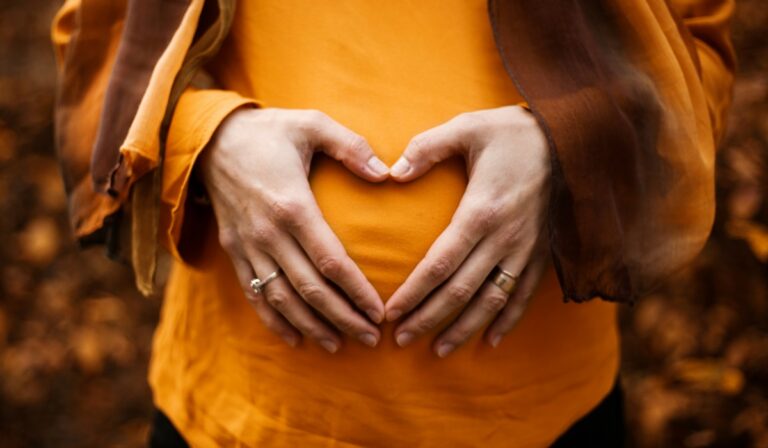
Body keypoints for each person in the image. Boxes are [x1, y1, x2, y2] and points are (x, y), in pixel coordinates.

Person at [51, 0, 734, 446]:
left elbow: (695, 57)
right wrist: (205, 141)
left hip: (543, 420)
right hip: (240, 416)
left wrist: (568, 144)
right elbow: (100, 43)